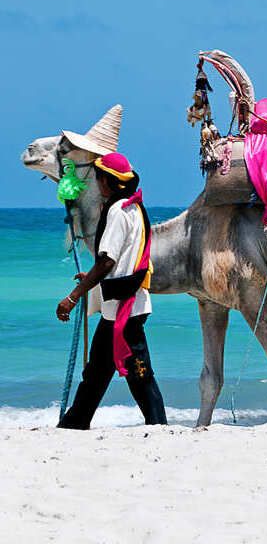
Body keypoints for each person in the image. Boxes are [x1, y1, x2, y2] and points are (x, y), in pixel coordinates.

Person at [56, 152, 167, 429]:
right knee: (96, 373)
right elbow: (121, 259)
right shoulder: (135, 208)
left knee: (140, 375)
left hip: (126, 310)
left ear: (107, 181)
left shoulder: (118, 211)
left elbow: (108, 260)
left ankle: (159, 427)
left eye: (97, 178)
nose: (96, 184)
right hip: (118, 308)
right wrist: (90, 277)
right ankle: (74, 425)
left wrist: (74, 296)